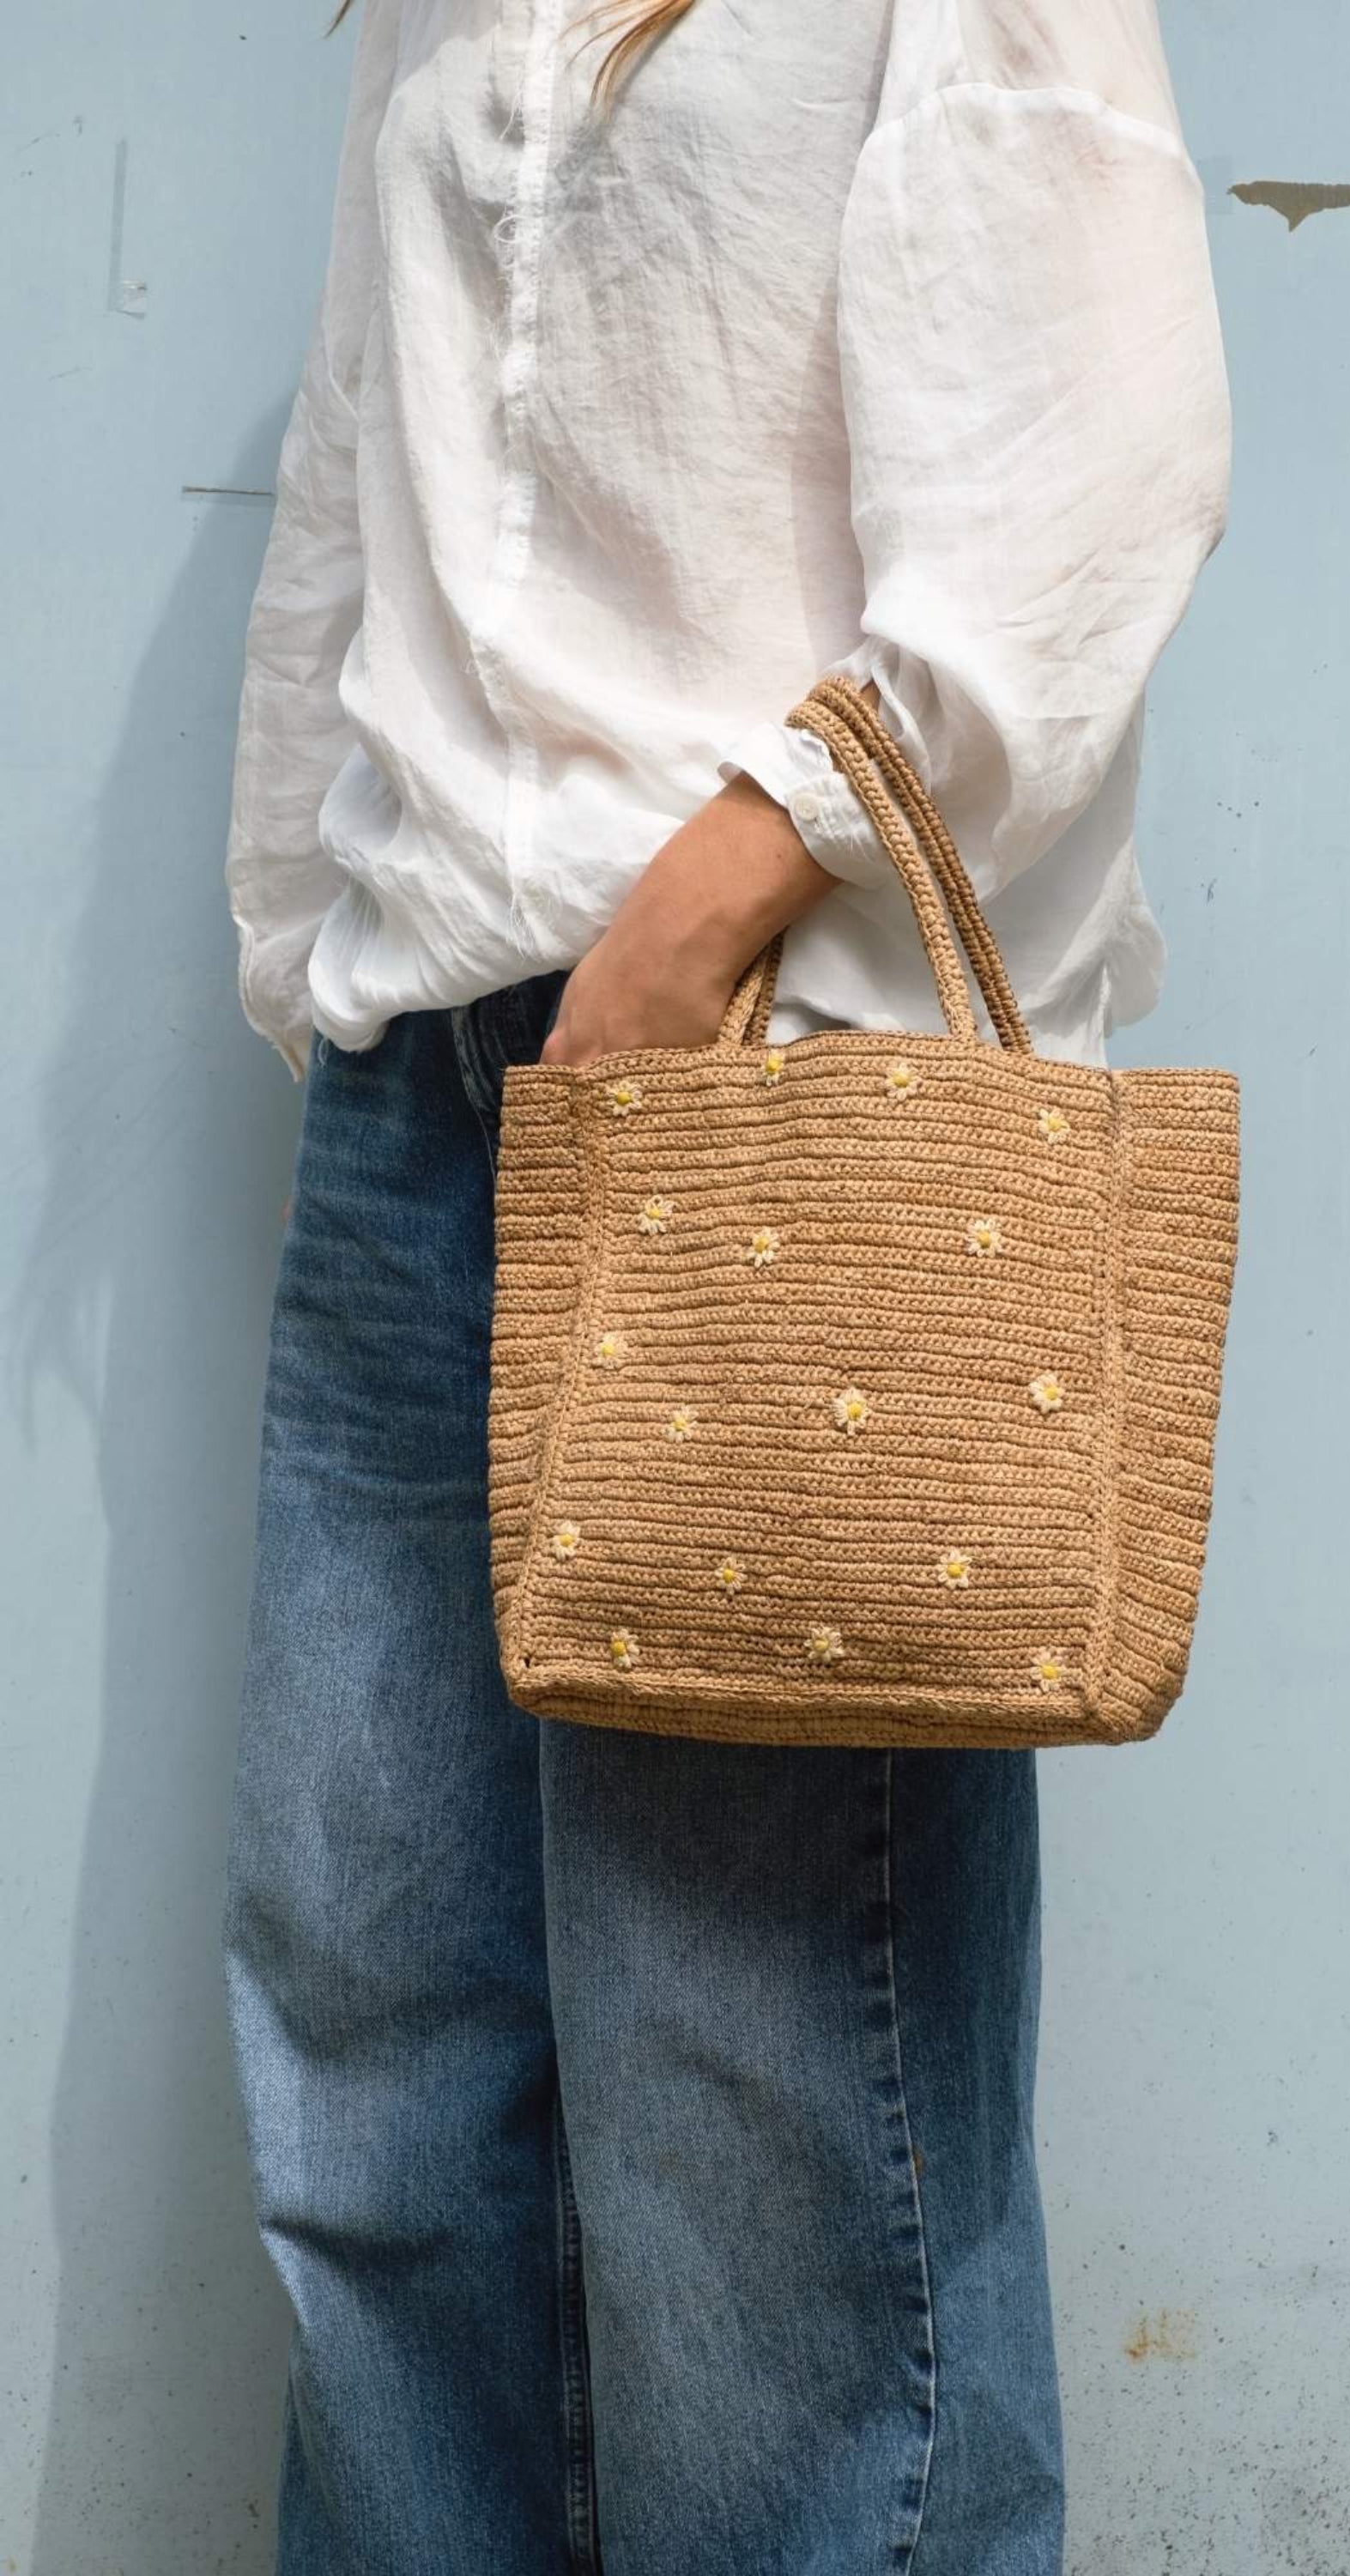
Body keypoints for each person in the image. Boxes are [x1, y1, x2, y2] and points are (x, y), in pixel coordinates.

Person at [220, 2, 1230, 2567]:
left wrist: (697, 906)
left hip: (763, 1089)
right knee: (375, 2077)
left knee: (771, 2135)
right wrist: (317, 951)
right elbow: (357, 469)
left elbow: (1090, 470)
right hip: (426, 1090)